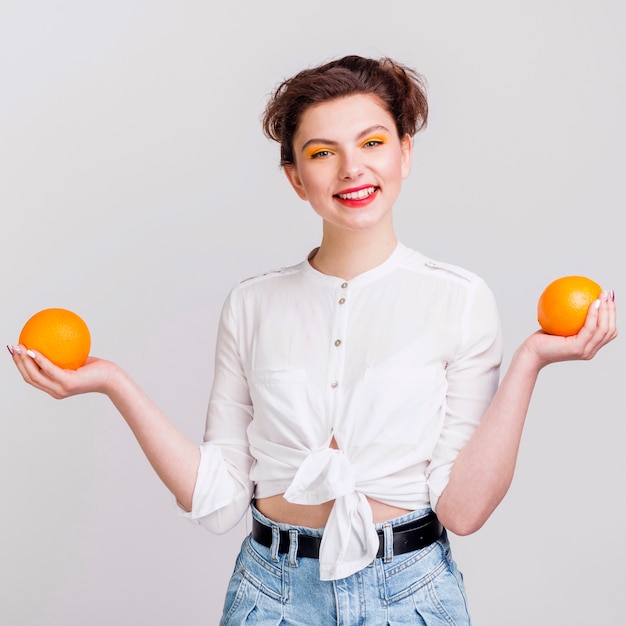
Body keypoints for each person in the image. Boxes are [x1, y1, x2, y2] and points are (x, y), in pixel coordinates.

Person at [8, 55, 617, 625]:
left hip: (410, 594)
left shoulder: (459, 299)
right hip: (270, 595)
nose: (352, 168)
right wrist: (114, 382)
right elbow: (219, 501)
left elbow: (463, 510)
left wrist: (532, 359)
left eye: (373, 143)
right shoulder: (252, 305)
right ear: (296, 178)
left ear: (405, 153)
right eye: (322, 153)